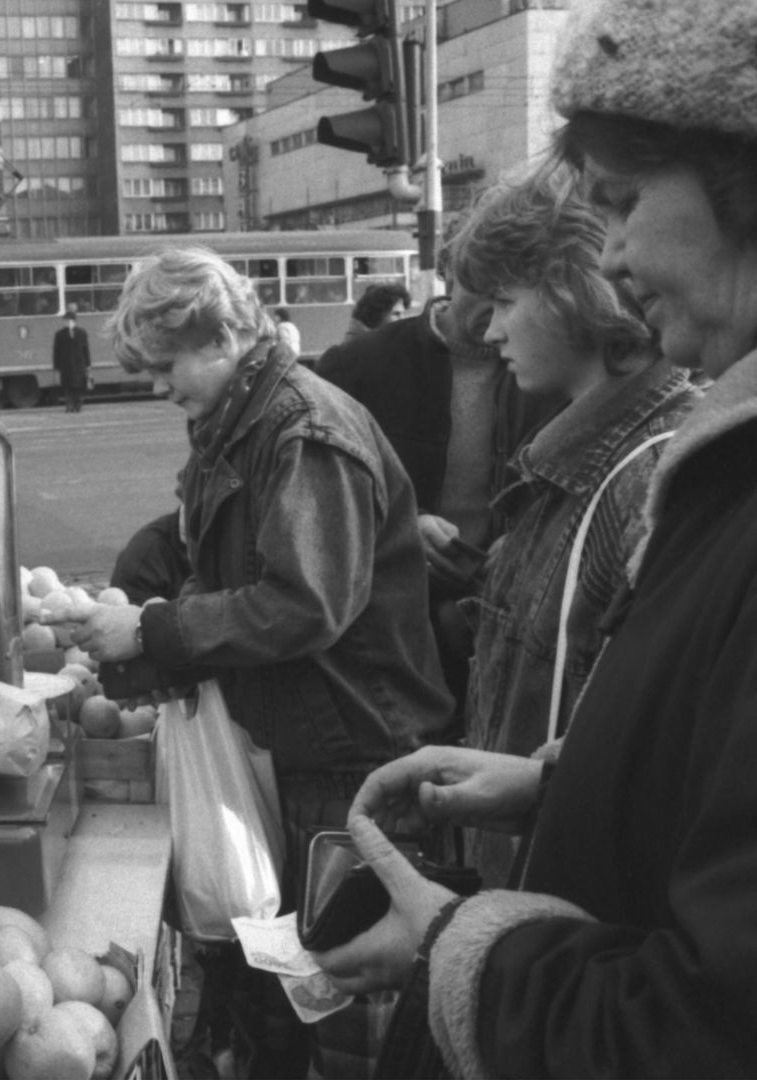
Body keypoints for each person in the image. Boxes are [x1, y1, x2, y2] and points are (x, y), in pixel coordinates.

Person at [315, 1, 757, 1074]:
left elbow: (704, 1026)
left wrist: (454, 944)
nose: (613, 250)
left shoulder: (663, 478)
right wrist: (555, 781)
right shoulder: (713, 468)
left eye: (625, 200)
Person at [56, 247, 453, 1078]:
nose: (162, 387)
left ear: (218, 336)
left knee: (345, 991)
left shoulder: (303, 430)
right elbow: (223, 561)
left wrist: (155, 631)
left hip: (351, 748)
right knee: (293, 972)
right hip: (303, 736)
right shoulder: (240, 417)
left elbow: (303, 605)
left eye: (166, 367)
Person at [448, 169, 699, 886]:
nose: (490, 329)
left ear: (574, 296)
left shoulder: (646, 477)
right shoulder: (586, 463)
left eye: (503, 301)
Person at [317, 257, 561, 729]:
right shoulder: (360, 365)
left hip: (506, 618)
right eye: (488, 291)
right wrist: (402, 525)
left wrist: (527, 538)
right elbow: (315, 494)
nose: (497, 320)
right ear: (451, 273)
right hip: (392, 631)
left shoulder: (550, 365)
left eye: (512, 298)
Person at [53, 310, 92, 412]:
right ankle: (69, 405)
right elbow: (56, 351)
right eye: (65, 321)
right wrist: (56, 366)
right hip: (65, 365)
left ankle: (78, 404)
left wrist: (88, 364)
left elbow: (86, 349)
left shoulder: (82, 333)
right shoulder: (59, 334)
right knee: (67, 387)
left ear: (74, 321)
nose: (67, 323)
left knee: (79, 386)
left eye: (68, 320)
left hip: (79, 364)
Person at [345, 282, 412, 341]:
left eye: (403, 314)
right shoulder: (361, 346)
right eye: (396, 314)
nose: (403, 319)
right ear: (377, 314)